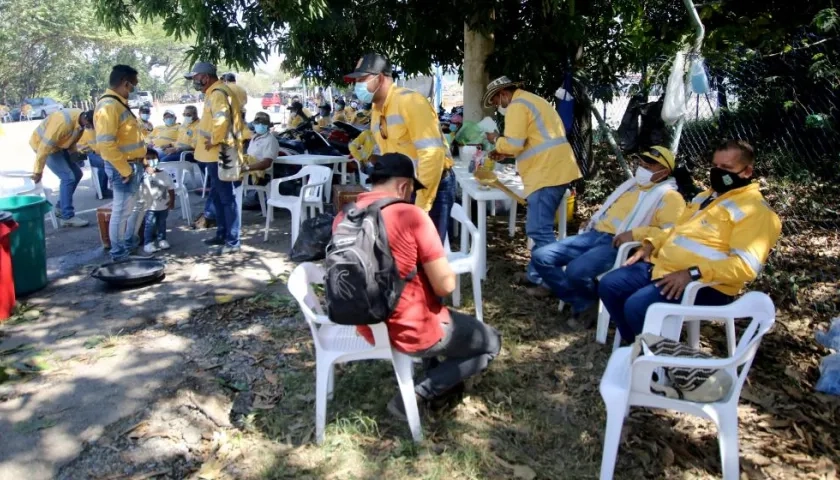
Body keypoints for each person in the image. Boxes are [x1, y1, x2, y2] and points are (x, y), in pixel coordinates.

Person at [332, 152, 501, 418]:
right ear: (403, 186)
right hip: (410, 328)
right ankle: (417, 393)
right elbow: (445, 286)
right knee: (491, 342)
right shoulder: (410, 215)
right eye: (412, 190)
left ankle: (432, 372)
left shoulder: (345, 217)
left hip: (367, 324)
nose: (412, 196)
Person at [598, 140, 782, 342]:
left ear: (747, 172)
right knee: (610, 285)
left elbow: (745, 267)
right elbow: (677, 231)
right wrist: (651, 242)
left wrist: (692, 273)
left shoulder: (756, 212)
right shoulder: (705, 198)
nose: (718, 172)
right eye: (716, 166)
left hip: (707, 285)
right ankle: (639, 347)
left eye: (727, 168)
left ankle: (658, 365)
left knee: (637, 307)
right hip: (666, 268)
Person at [532, 146, 686, 327]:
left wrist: (635, 233)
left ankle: (586, 304)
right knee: (541, 256)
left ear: (665, 172)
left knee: (576, 270)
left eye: (650, 165)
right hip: (594, 234)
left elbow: (670, 232)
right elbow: (609, 211)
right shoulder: (630, 186)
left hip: (618, 243)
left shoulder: (671, 198)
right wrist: (593, 220)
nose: (642, 167)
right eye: (642, 162)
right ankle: (585, 301)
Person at [483, 76, 583, 287]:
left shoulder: (517, 106)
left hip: (547, 173)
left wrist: (496, 141)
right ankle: (536, 276)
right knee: (540, 228)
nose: (496, 106)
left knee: (539, 230)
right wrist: (503, 152)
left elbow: (514, 144)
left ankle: (552, 283)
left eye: (494, 101)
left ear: (502, 94)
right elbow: (532, 141)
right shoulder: (531, 100)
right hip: (553, 170)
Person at [345, 53, 455, 243]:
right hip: (402, 188)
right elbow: (386, 152)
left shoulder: (411, 102)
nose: (358, 86)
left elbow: (432, 155)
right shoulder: (377, 111)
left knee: (426, 252)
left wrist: (420, 208)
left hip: (431, 187)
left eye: (362, 80)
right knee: (402, 250)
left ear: (379, 78)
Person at [186, 61, 246, 255]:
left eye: (195, 78)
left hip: (219, 154)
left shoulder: (218, 93)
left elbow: (221, 120)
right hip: (213, 155)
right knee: (220, 198)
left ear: (205, 76)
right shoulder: (214, 92)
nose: (194, 82)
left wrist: (214, 140)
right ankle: (222, 234)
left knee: (227, 199)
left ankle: (232, 240)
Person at [95, 64, 153, 261]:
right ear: (125, 83)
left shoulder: (119, 104)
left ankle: (129, 243)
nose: (134, 90)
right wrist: (125, 170)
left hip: (133, 165)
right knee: (121, 210)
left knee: (137, 205)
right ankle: (119, 254)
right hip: (123, 167)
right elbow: (106, 144)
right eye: (133, 86)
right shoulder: (109, 106)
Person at [29, 109, 94, 226]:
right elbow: (44, 148)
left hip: (58, 147)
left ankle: (61, 207)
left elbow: (71, 141)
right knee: (68, 177)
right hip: (43, 146)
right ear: (86, 120)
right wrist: (38, 171)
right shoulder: (62, 123)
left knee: (77, 174)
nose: (91, 128)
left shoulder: (80, 121)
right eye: (91, 125)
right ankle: (67, 217)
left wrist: (75, 155)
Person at [140, 149, 175, 254]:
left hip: (163, 205)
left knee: (162, 223)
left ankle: (162, 239)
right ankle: (148, 243)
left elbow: (171, 188)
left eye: (153, 158)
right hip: (150, 206)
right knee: (149, 224)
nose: (151, 160)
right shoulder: (143, 175)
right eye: (148, 158)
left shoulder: (164, 174)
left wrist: (172, 201)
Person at [77, 118, 112, 199]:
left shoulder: (98, 130)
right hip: (87, 155)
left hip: (98, 153)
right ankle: (102, 191)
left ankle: (107, 188)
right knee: (103, 164)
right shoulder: (84, 132)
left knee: (109, 161)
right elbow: (80, 148)